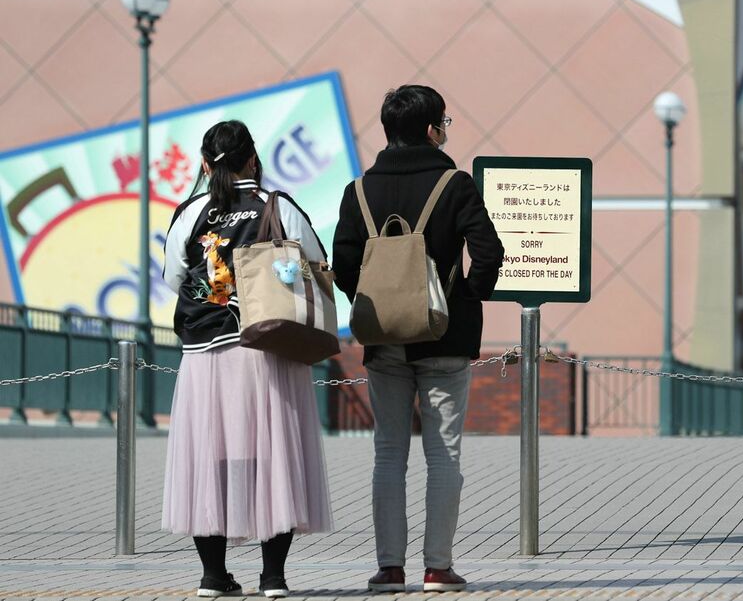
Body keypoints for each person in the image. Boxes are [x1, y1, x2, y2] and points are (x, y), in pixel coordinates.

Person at [332, 85, 504, 593]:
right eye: (444, 124)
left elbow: (343, 266)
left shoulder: (358, 190)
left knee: (388, 453)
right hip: (443, 338)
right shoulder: (455, 184)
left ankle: (389, 569)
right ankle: (437, 568)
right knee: (443, 453)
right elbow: (488, 251)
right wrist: (465, 299)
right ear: (432, 130)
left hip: (384, 342)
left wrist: (382, 306)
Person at [161, 120, 333, 599]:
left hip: (205, 351)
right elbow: (315, 262)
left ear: (203, 163)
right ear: (252, 159)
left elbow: (175, 277)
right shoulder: (277, 206)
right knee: (274, 452)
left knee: (208, 456)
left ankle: (213, 576)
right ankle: (273, 577)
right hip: (267, 347)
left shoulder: (191, 212)